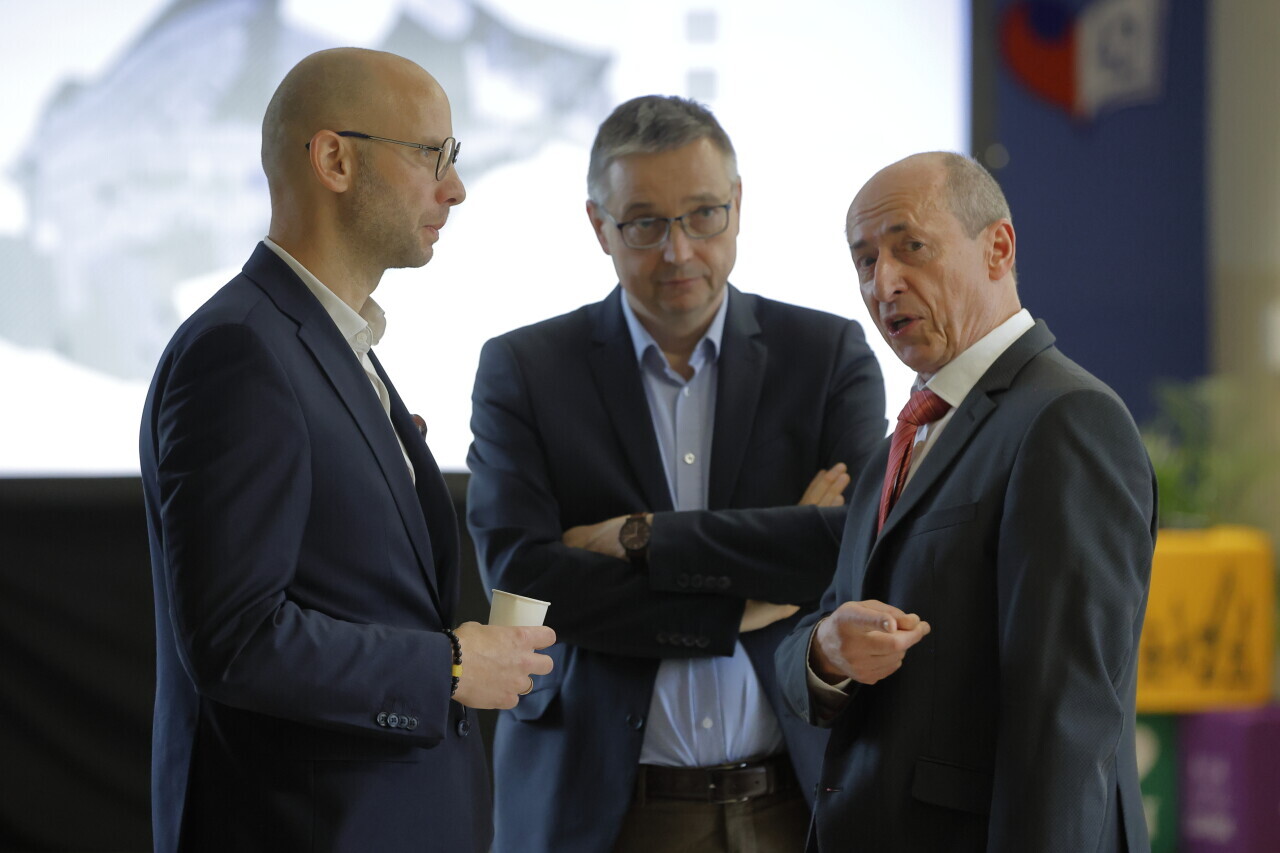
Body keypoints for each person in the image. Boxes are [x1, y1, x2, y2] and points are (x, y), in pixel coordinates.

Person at [139, 48, 554, 853]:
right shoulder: (240, 350)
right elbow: (237, 639)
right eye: (433, 154)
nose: (456, 188)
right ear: (334, 160)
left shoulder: (328, 342)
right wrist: (450, 666)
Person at [466, 95, 888, 852]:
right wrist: (740, 605)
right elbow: (522, 583)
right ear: (599, 226)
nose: (679, 251)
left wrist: (643, 537)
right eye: (645, 224)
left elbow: (845, 549)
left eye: (703, 215)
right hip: (597, 806)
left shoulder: (825, 356)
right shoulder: (525, 370)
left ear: (738, 205)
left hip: (792, 799)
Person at [775, 151, 1157, 852]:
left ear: (998, 249)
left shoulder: (1066, 418)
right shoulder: (903, 439)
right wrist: (826, 652)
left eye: (911, 247)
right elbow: (815, 634)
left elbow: (1064, 726)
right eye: (865, 260)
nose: (884, 282)